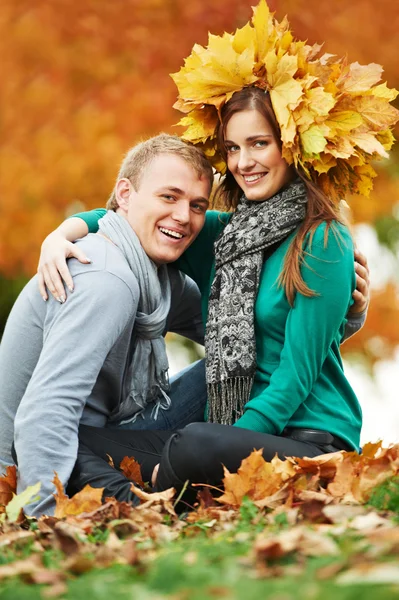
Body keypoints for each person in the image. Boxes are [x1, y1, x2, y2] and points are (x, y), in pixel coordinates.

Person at [31, 0, 398, 508]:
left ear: (289, 145)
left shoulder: (323, 241)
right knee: (79, 441)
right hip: (224, 438)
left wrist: (230, 451)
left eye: (258, 144)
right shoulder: (220, 237)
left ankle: (173, 482)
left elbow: (295, 376)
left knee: (196, 441)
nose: (243, 162)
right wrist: (61, 234)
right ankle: (144, 507)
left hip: (307, 443)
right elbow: (126, 216)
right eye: (232, 148)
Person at [0, 133, 214, 516]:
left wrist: (340, 310)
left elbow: (252, 336)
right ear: (125, 194)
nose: (183, 216)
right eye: (169, 197)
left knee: (238, 362)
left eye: (197, 205)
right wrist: (41, 518)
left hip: (97, 438)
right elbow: (46, 409)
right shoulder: (106, 276)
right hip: (34, 464)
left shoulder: (160, 281)